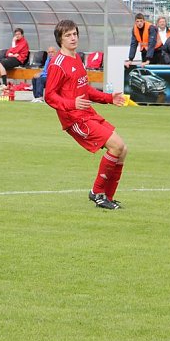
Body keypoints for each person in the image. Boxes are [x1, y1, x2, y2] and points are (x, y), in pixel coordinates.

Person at [45, 19, 127, 210]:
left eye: (75, 34)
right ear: (60, 39)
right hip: (74, 118)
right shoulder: (57, 64)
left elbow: (85, 90)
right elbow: (49, 96)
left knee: (123, 150)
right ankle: (97, 193)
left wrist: (108, 98)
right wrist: (71, 103)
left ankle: (107, 196)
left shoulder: (76, 58)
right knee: (117, 146)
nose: (73, 38)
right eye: (68, 35)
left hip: (87, 112)